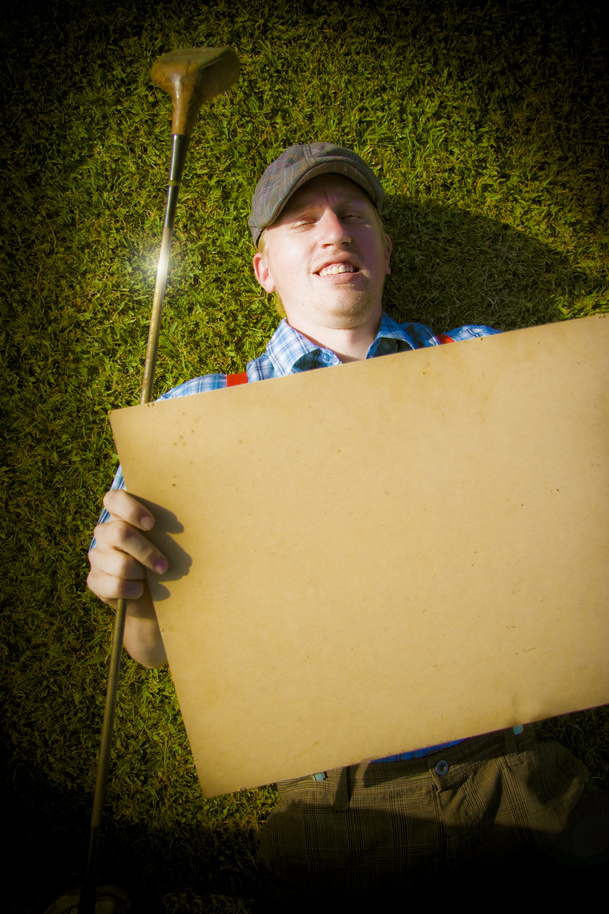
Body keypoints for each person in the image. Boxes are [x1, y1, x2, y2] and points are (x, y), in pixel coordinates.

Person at [88, 143, 599, 906]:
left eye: (353, 216)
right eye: (301, 221)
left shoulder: (486, 363)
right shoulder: (191, 420)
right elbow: (154, 654)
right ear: (265, 269)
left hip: (521, 781)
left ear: (384, 252)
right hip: (335, 812)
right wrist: (127, 591)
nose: (332, 231)